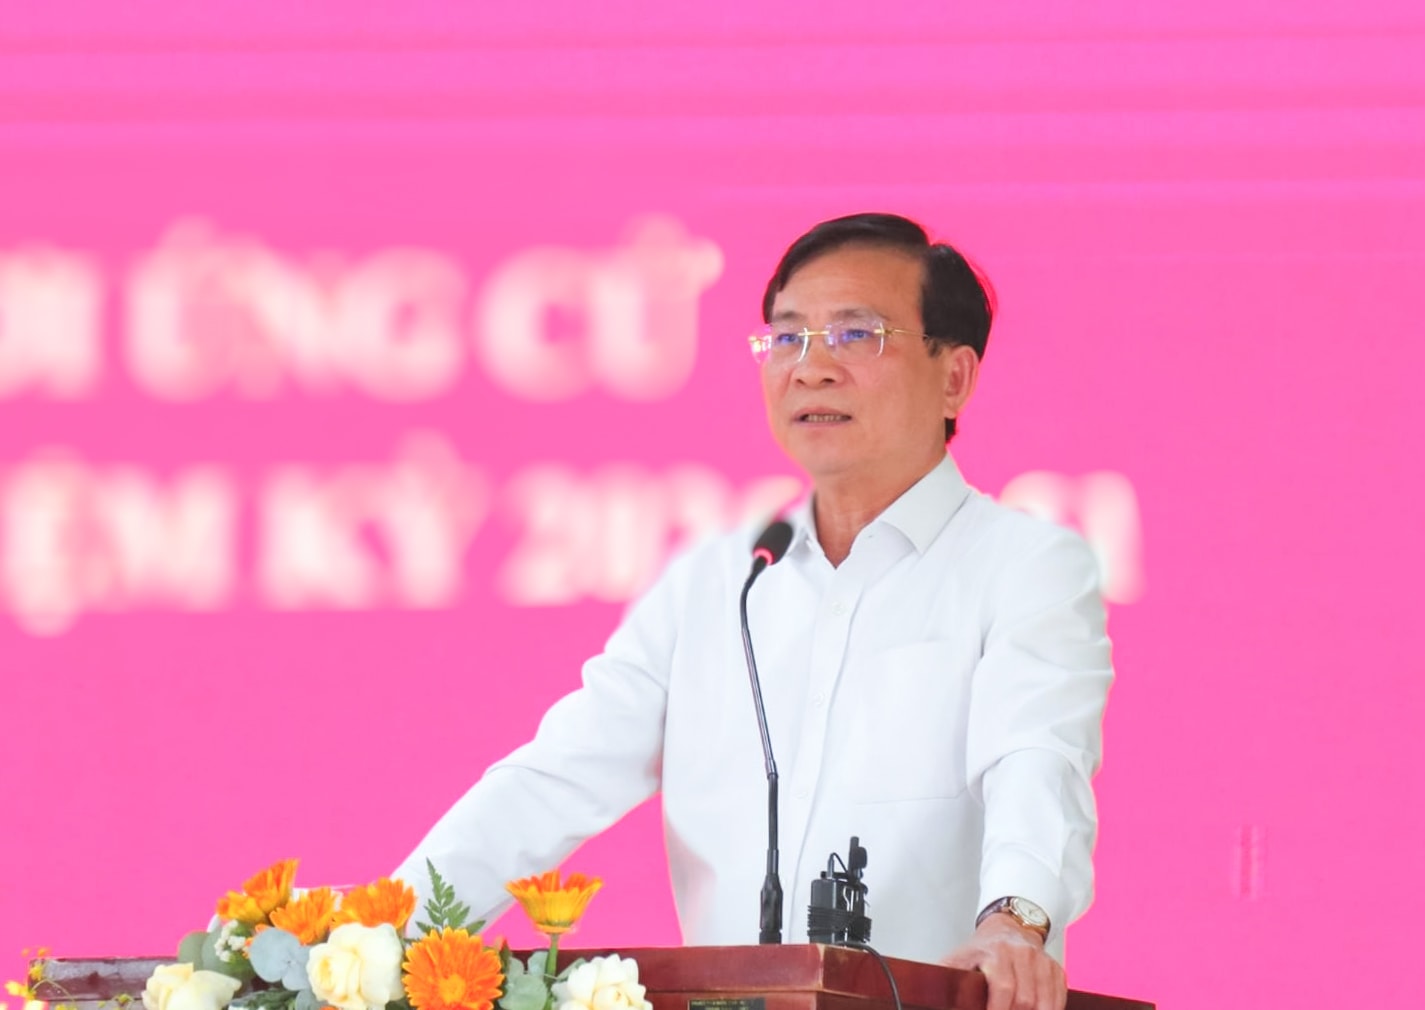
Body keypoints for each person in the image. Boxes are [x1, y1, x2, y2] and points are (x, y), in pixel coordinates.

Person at [394, 213, 1112, 1010]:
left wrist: (1015, 920)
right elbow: (555, 778)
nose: (810, 368)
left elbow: (1036, 758)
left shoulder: (1024, 566)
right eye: (787, 338)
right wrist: (379, 938)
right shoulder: (719, 580)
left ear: (953, 378)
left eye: (855, 335)